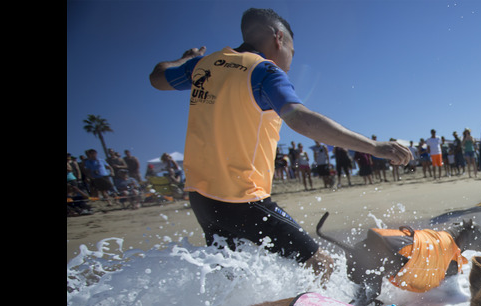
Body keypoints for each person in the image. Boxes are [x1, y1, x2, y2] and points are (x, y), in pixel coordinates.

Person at [149, 7, 411, 278]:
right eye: (292, 52)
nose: (290, 62)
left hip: (201, 199)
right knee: (321, 264)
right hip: (241, 198)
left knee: (229, 277)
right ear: (278, 38)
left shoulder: (203, 65)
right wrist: (375, 147)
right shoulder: (263, 71)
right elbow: (301, 119)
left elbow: (157, 77)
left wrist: (185, 59)